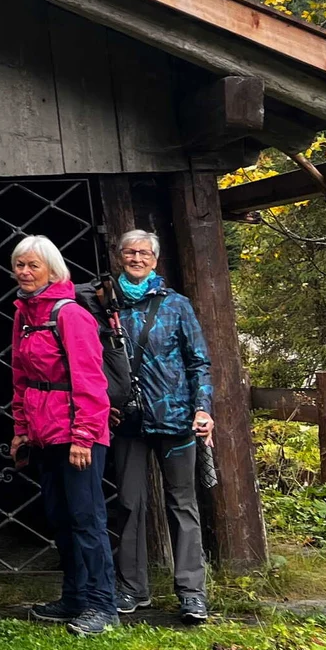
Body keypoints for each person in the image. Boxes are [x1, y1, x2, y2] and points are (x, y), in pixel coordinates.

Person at [103, 229, 215, 624]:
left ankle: (191, 593)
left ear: (155, 259)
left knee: (182, 504)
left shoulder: (177, 306)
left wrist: (203, 408)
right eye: (129, 252)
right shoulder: (106, 305)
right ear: (120, 257)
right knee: (130, 504)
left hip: (176, 417)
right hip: (128, 421)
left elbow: (198, 361)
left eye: (144, 253)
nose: (136, 258)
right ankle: (133, 589)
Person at [9, 234, 118, 636]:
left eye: (32, 265)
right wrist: (21, 430)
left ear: (53, 271)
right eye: (19, 265)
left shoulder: (70, 315)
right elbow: (21, 378)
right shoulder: (24, 315)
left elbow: (90, 380)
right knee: (60, 517)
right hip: (43, 433)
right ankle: (74, 596)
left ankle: (102, 604)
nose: (24, 272)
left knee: (87, 519)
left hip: (77, 433)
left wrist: (84, 436)